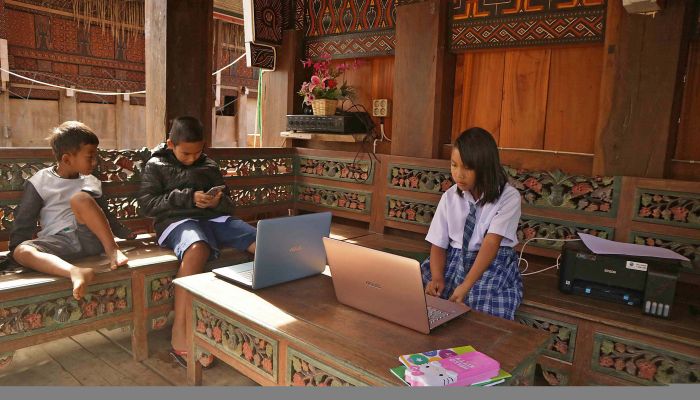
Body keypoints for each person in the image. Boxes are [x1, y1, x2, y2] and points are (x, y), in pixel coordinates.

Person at [138, 116, 256, 368]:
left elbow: (228, 201)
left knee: (261, 242)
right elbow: (147, 205)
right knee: (196, 249)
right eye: (185, 153)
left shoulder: (209, 165)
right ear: (171, 144)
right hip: (175, 222)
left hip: (213, 218)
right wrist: (187, 198)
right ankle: (180, 331)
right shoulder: (155, 165)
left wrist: (216, 201)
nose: (192, 158)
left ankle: (258, 322)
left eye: (197, 152)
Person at [10, 121, 133, 300]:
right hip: (60, 243)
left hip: (91, 239)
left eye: (95, 156)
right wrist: (17, 252)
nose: (95, 162)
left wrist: (122, 231)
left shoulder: (90, 180)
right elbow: (24, 221)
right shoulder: (40, 182)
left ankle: (113, 252)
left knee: (80, 199)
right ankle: (75, 272)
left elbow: (104, 214)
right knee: (21, 251)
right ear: (67, 159)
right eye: (89, 157)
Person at [421, 127, 523, 320]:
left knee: (476, 302)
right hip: (453, 258)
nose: (459, 174)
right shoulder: (450, 196)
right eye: (454, 165)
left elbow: (491, 244)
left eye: (467, 168)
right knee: (418, 289)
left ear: (484, 167)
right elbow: (438, 243)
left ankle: (473, 348)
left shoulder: (508, 197)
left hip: (491, 261)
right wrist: (437, 277)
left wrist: (466, 285)